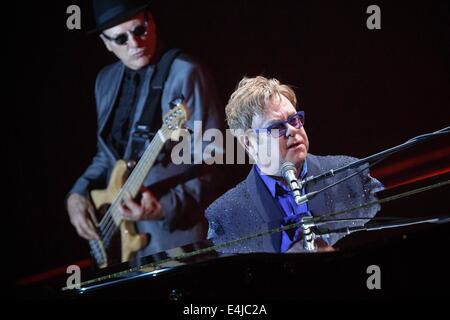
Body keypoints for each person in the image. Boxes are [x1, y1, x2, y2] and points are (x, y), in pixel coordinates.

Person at [67, 0, 224, 260]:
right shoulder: (105, 81)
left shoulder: (186, 73)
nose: (135, 44)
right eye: (120, 38)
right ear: (106, 43)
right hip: (125, 247)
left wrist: (164, 206)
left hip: (178, 240)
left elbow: (217, 159)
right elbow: (107, 155)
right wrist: (78, 192)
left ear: (151, 20)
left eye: (140, 30)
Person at [205, 76, 383, 253]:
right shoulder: (225, 216)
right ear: (249, 144)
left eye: (294, 119)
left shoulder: (351, 176)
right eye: (276, 127)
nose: (292, 130)